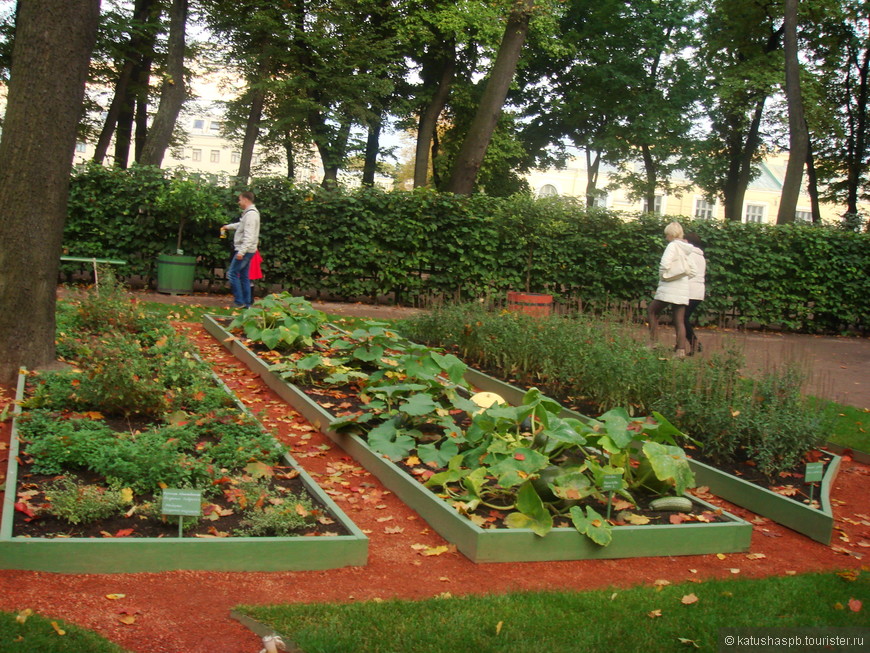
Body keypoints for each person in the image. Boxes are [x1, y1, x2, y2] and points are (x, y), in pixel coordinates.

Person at [647, 221, 696, 358]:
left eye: (666, 234)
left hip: (669, 288)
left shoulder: (672, 246)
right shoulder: (687, 248)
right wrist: (681, 276)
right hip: (682, 289)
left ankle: (653, 342)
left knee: (652, 311)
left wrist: (665, 276)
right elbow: (693, 271)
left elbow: (664, 265)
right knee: (679, 320)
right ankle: (680, 350)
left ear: (670, 234)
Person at [220, 191, 260, 308]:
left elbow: (249, 235)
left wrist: (241, 252)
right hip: (248, 250)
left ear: (246, 200)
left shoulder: (251, 215)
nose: (239, 202)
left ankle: (239, 301)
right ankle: (247, 303)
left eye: (240, 199)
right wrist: (227, 227)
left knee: (232, 274)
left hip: (245, 250)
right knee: (243, 276)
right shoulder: (249, 214)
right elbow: (241, 225)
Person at [683, 232, 706, 355]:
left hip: (689, 291)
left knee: (681, 319)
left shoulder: (688, 254)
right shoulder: (700, 256)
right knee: (683, 318)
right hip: (698, 292)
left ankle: (694, 344)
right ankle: (682, 344)